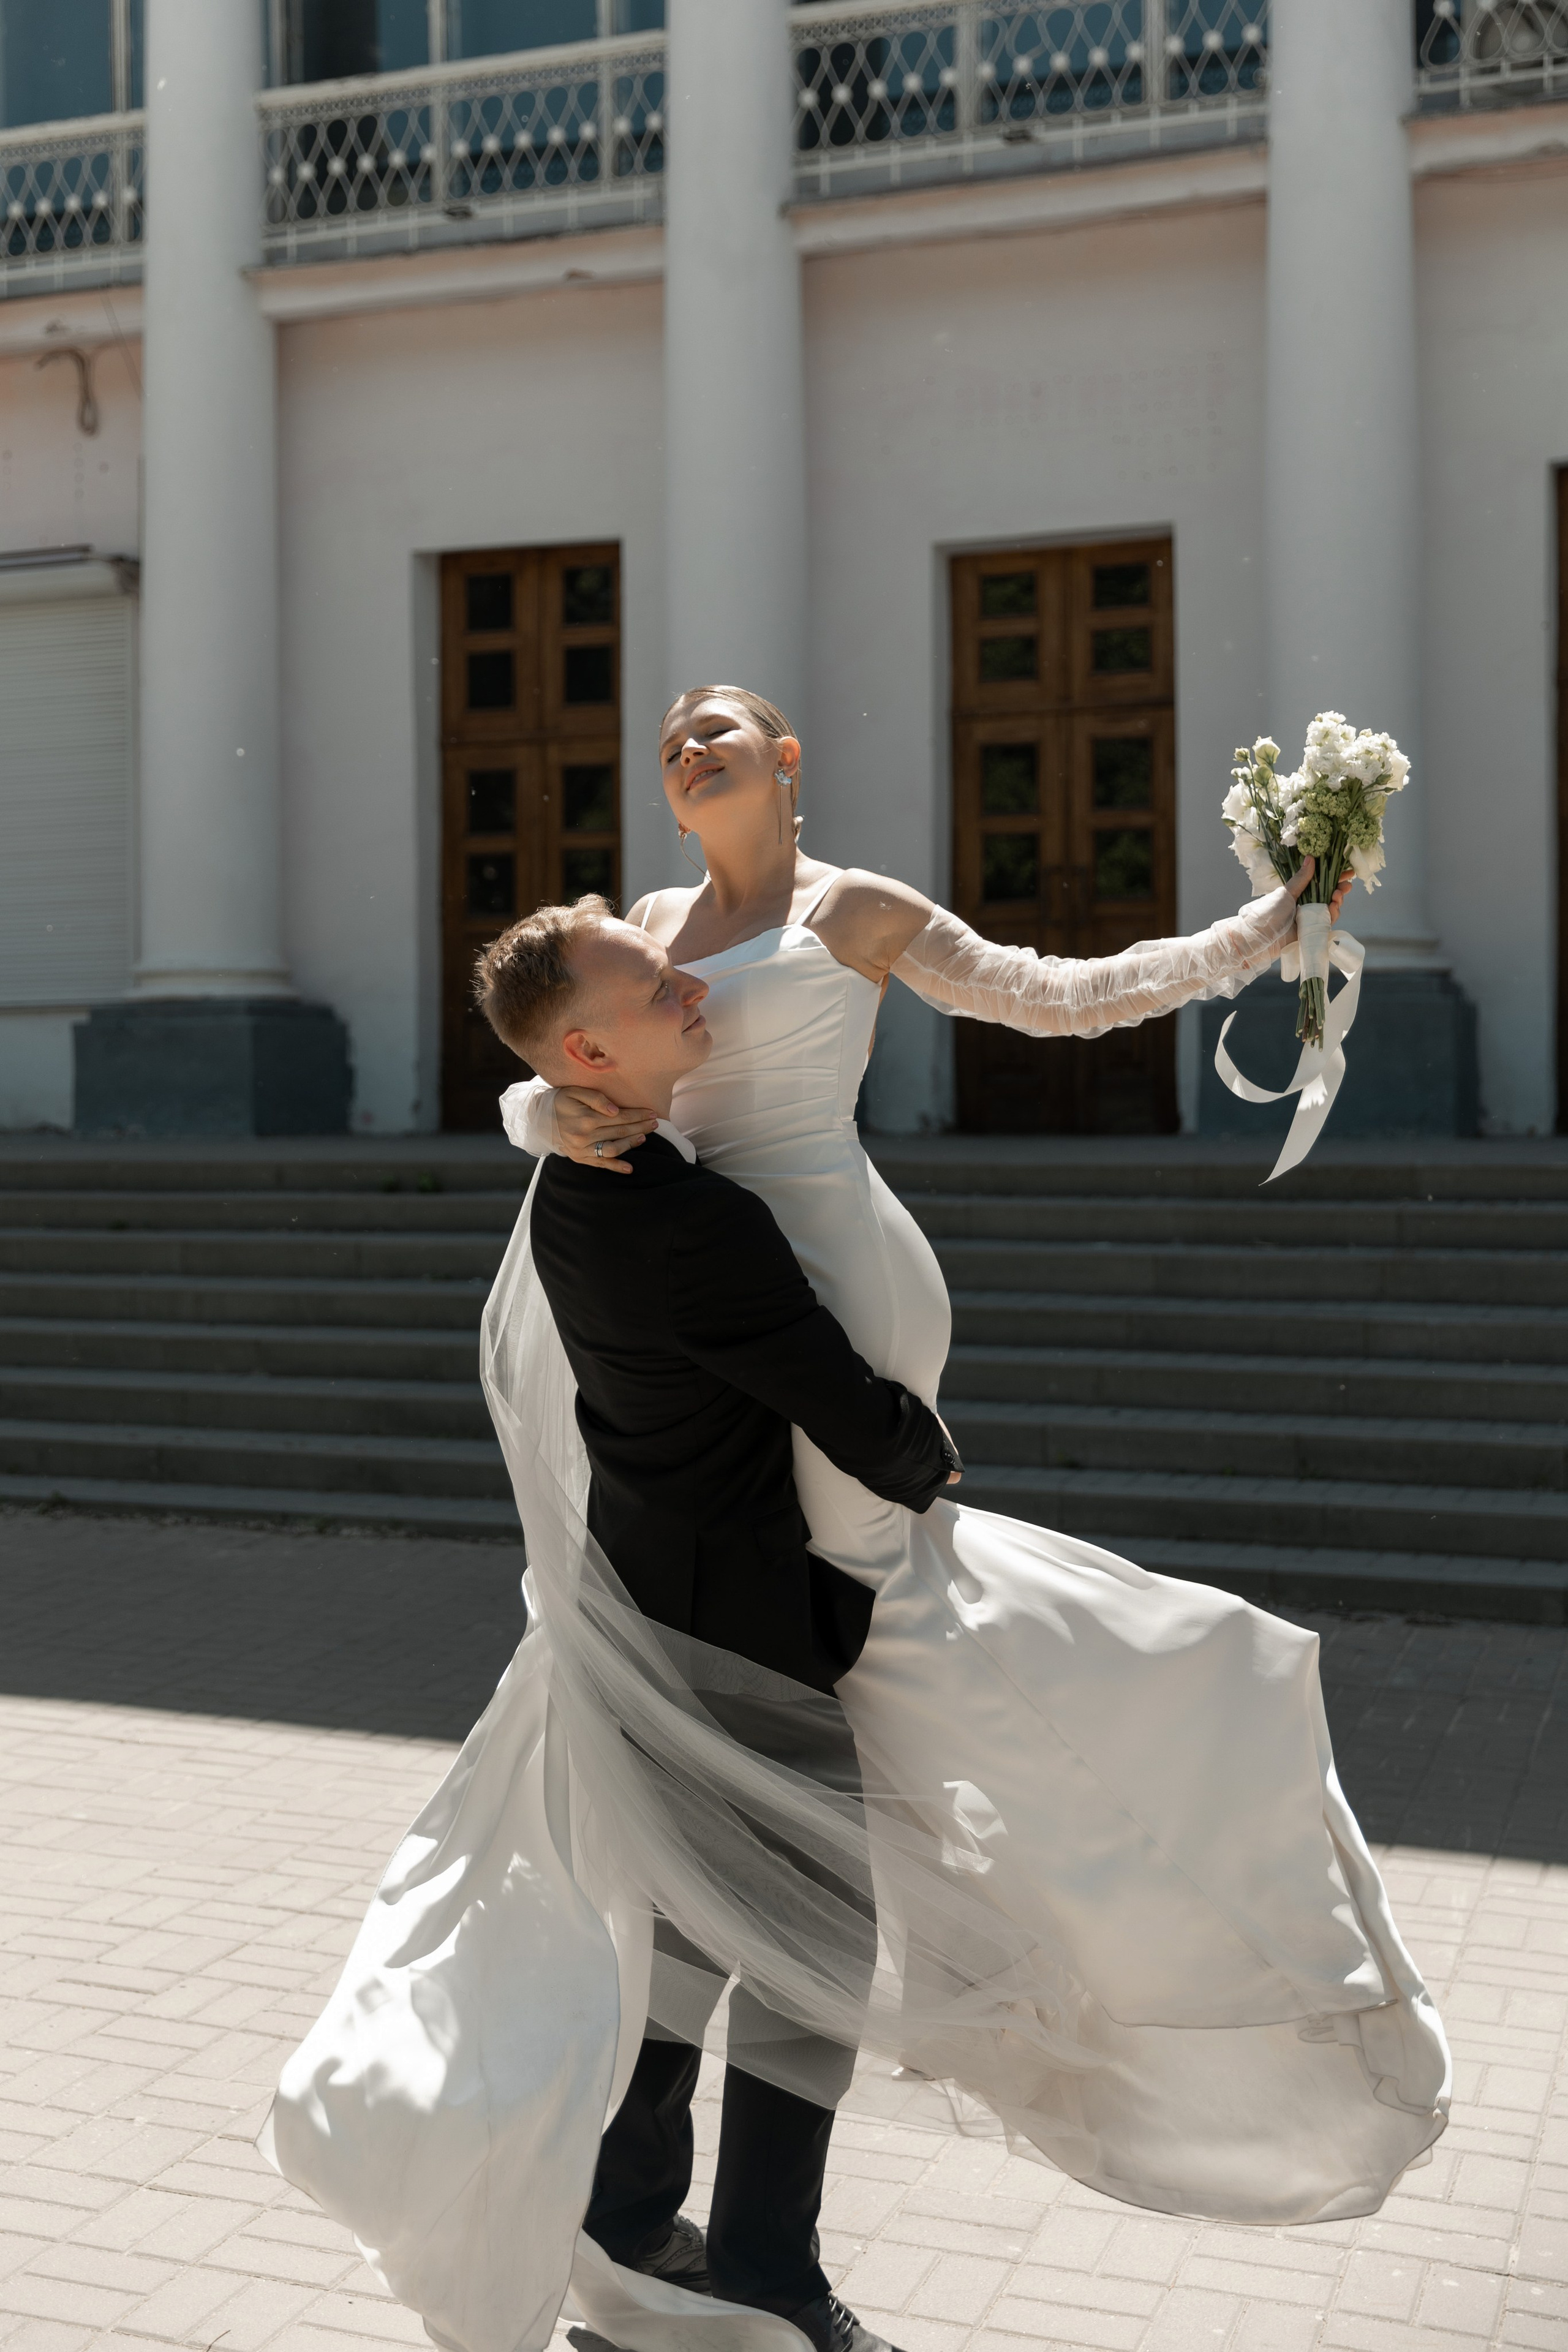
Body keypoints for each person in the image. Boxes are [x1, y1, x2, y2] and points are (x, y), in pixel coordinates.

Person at [264, 687, 1449, 2352]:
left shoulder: (863, 912)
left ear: (788, 757)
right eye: (674, 736)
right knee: (806, 1739)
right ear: (672, 798)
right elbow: (566, 1063)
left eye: (726, 725)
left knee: (840, 1682)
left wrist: (1266, 931)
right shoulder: (649, 932)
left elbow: (1066, 998)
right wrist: (551, 1110)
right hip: (728, 1333)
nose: (694, 745)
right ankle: (778, 2118)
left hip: (824, 1307)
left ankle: (743, 2127)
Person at [516, 893, 959, 2351]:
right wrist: (926, 1462)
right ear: (590, 1045)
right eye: (666, 988)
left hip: (646, 1599)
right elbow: (838, 1402)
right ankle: (769, 2281)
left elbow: (553, 1089)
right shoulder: (695, 1223)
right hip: (747, 1626)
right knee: (812, 1951)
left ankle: (629, 2225)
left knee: (688, 1936)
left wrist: (539, 1110)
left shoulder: (581, 1182)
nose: (696, 993)